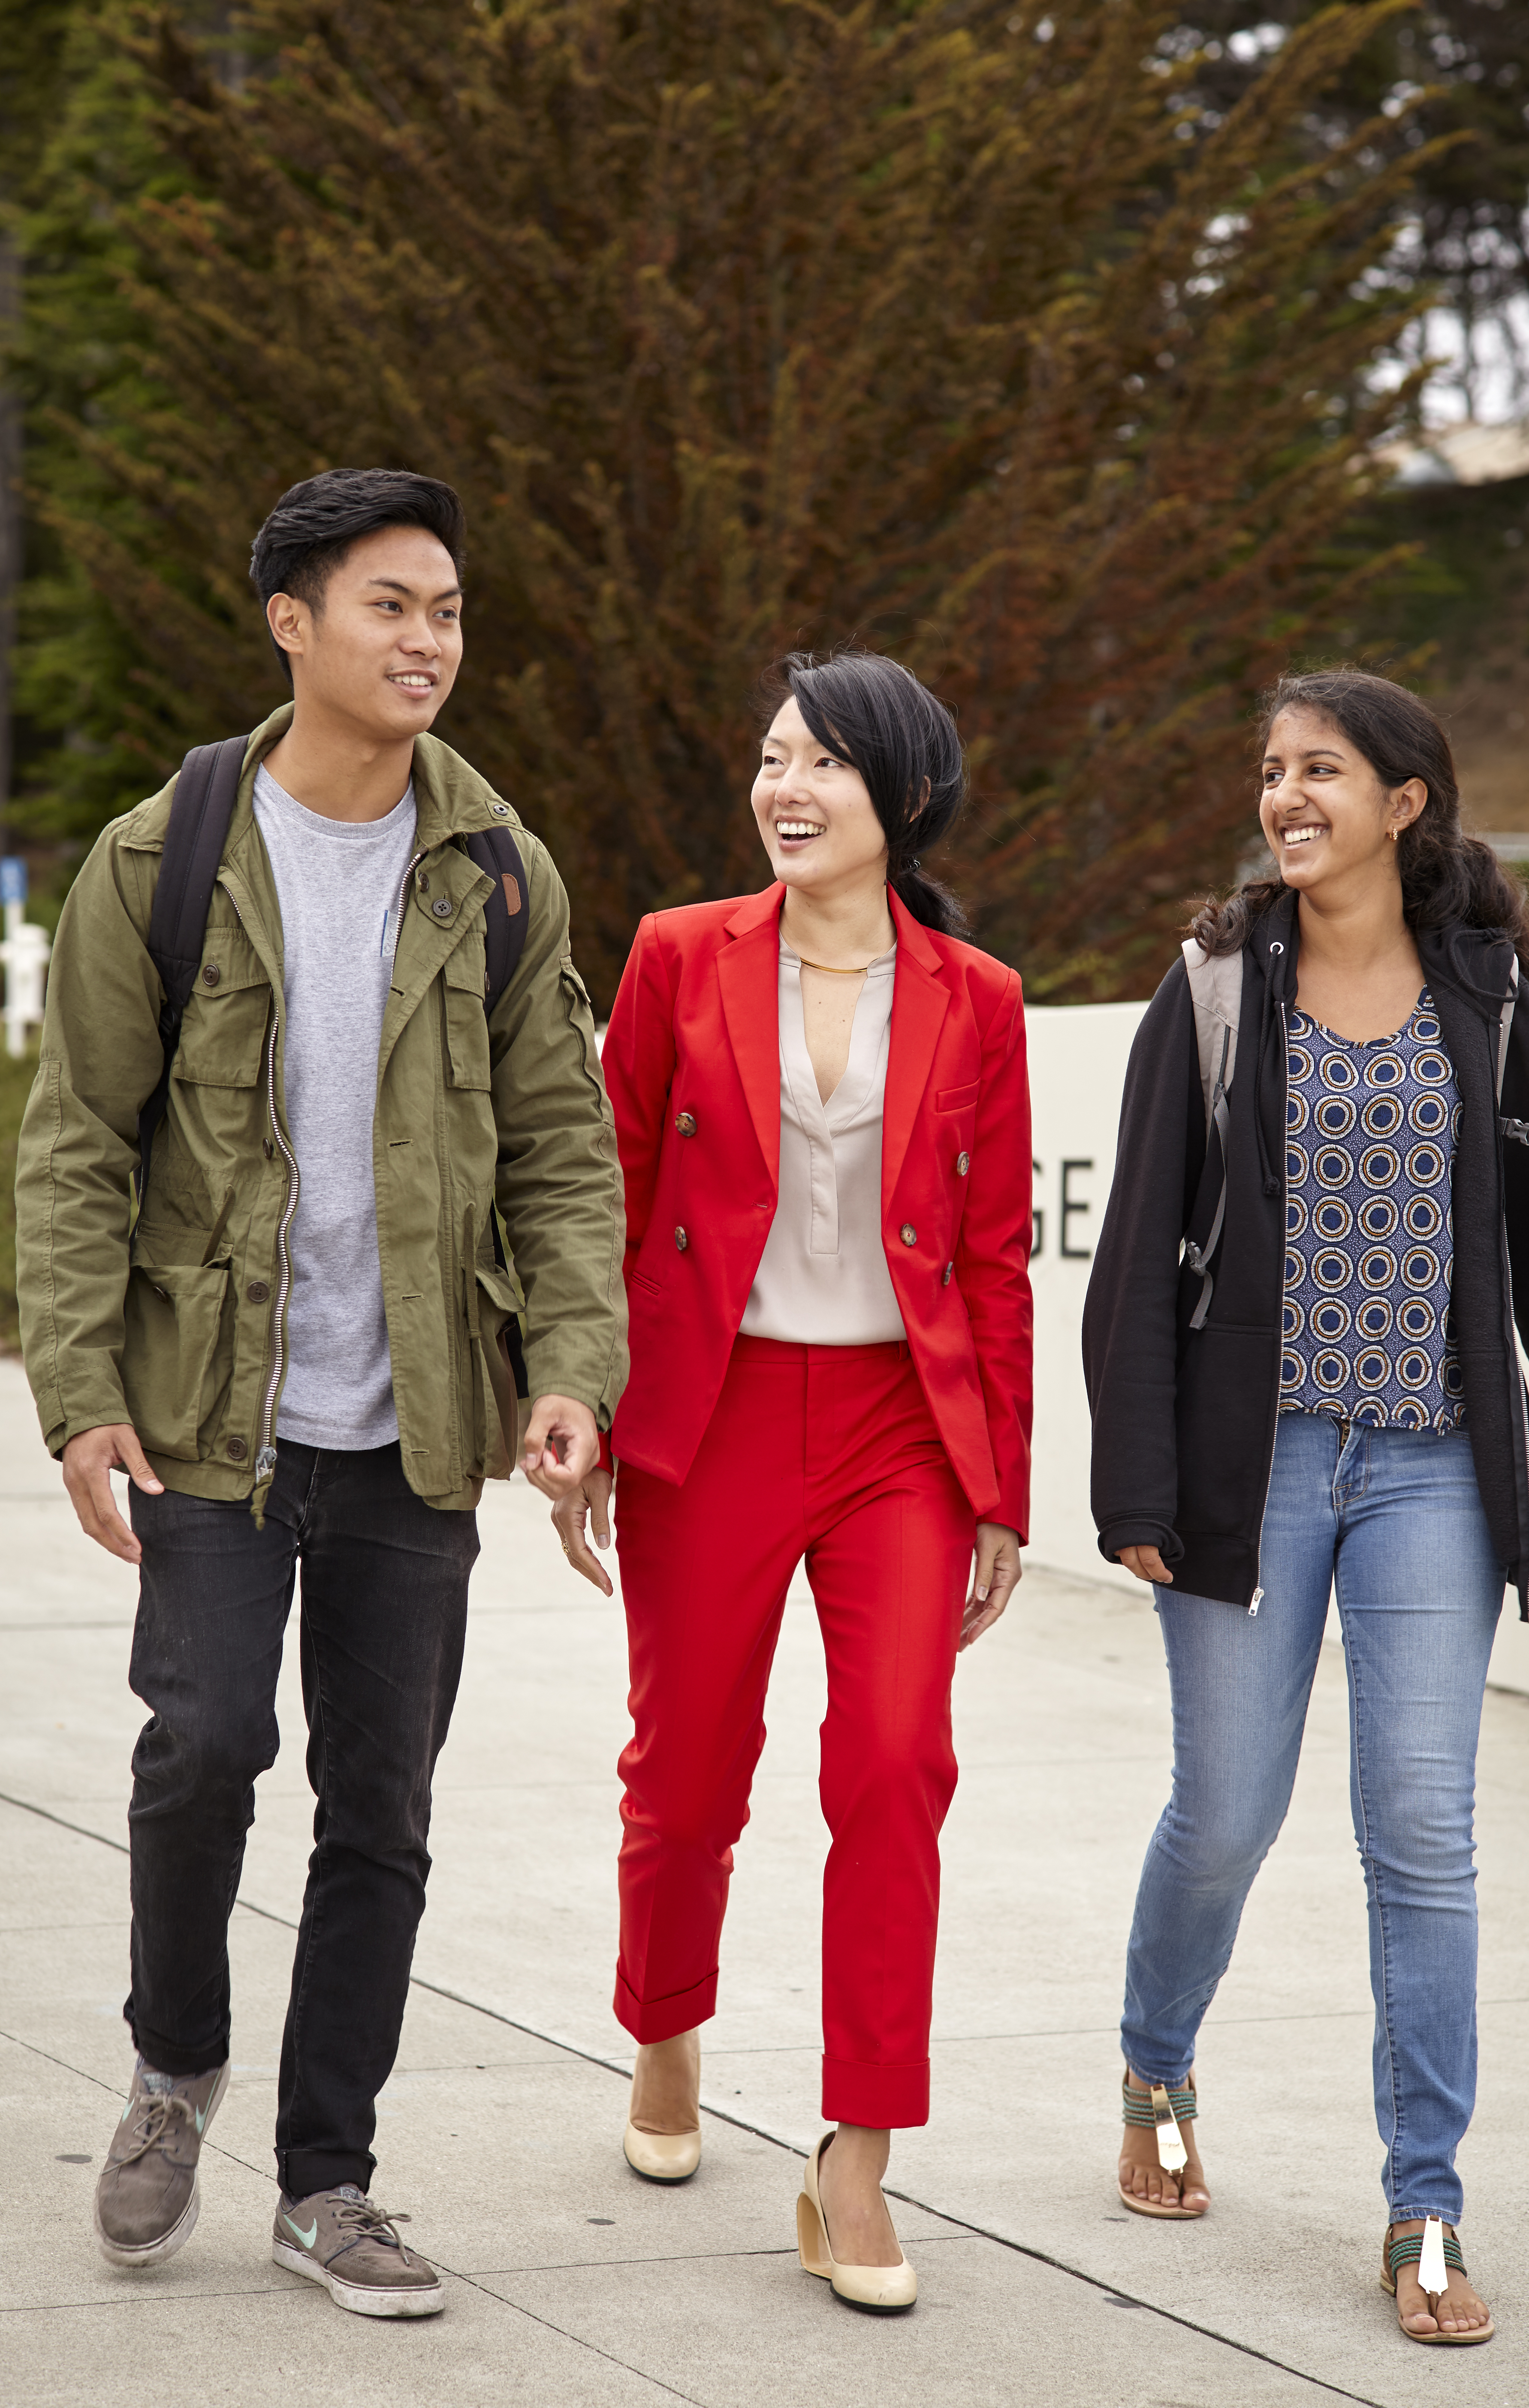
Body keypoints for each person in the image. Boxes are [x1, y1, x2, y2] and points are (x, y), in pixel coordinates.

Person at [15, 467, 627, 2318]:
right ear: (292, 621)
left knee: (385, 1808)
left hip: (417, 1427)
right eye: (390, 605)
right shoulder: (164, 856)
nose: (427, 639)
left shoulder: (501, 867)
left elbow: (562, 1144)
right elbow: (75, 1149)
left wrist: (572, 1368)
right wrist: (80, 1391)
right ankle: (170, 2067)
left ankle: (330, 2178)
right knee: (203, 1754)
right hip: (213, 1415)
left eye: (446, 609)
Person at [1083, 667, 1529, 2347]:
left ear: (1406, 801)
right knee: (1226, 1812)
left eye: (1321, 771)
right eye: (1271, 770)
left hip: (1434, 1463)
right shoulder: (1217, 987)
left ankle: (1424, 2203)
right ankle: (1156, 2066)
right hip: (1256, 1466)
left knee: (1422, 1838)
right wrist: (1136, 1482)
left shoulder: (1491, 994)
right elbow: (1138, 1250)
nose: (1285, 796)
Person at [551, 648, 1033, 2313]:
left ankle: (857, 2157)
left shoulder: (976, 997)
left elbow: (993, 1261)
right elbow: (603, 1192)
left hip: (903, 1430)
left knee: (896, 1764)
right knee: (688, 1777)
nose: (786, 789)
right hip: (717, 1413)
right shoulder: (680, 957)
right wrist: (584, 1412)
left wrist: (1001, 1492)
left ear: (900, 795)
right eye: (772, 759)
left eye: (822, 763)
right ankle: (664, 2028)